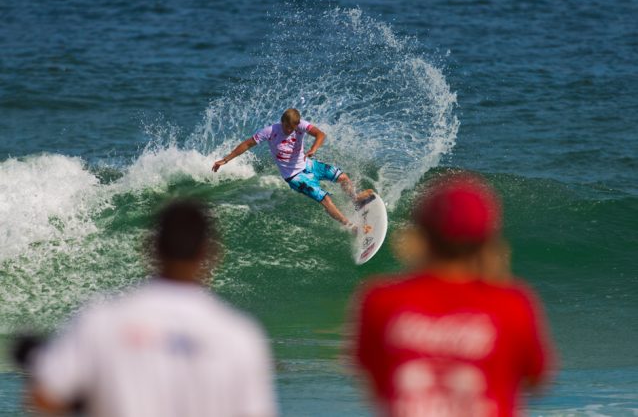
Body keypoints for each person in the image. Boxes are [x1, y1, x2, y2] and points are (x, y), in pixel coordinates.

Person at [29, 200, 277, 417]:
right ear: (210, 255)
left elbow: (44, 398)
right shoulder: (239, 336)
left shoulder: (102, 320)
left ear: (151, 248)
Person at [350, 172, 555, 417]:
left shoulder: (381, 300)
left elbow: (375, 378)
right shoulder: (511, 304)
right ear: (488, 241)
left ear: (420, 236)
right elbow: (536, 380)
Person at [212, 108, 372, 233]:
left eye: (293, 128)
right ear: (282, 122)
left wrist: (313, 149)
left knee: (343, 177)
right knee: (325, 200)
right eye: (287, 127)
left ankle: (355, 198)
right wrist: (225, 160)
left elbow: (320, 134)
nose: (289, 131)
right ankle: (351, 228)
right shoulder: (270, 131)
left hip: (308, 164)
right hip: (294, 177)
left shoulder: (300, 125)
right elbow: (247, 144)